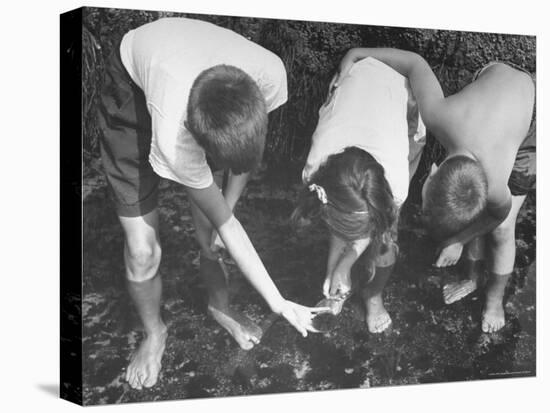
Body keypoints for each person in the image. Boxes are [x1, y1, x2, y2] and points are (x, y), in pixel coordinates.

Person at [97, 17, 326, 390]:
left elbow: (238, 170)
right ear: (197, 137)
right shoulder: (177, 140)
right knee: (142, 252)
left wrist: (226, 209)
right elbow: (227, 223)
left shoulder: (269, 76)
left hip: (196, 80)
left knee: (211, 232)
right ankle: (155, 333)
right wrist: (278, 302)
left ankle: (219, 305)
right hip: (134, 80)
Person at [333, 48, 535, 333]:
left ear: (432, 172)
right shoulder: (440, 115)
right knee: (485, 224)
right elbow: (415, 63)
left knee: (502, 231)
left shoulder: (496, 185)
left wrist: (461, 239)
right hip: (494, 72)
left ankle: (494, 300)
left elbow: (497, 215)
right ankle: (471, 273)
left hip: (535, 112)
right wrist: (356, 54)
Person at [293, 55, 426, 333]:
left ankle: (374, 296)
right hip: (357, 82)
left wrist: (350, 256)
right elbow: (341, 223)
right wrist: (337, 270)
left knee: (386, 240)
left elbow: (368, 226)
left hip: (400, 95)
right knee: (349, 226)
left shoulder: (395, 185)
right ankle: (341, 287)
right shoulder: (315, 174)